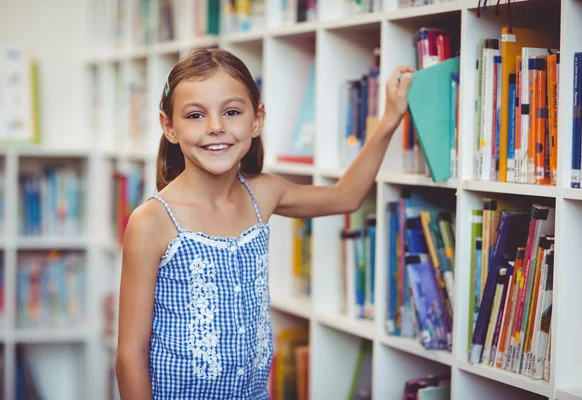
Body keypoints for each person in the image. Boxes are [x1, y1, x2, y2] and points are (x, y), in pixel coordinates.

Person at [115, 47, 414, 399]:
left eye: (231, 112)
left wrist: (390, 118)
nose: (216, 127)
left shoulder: (264, 193)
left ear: (256, 120)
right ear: (170, 127)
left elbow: (345, 197)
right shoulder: (151, 220)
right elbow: (129, 354)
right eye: (195, 115)